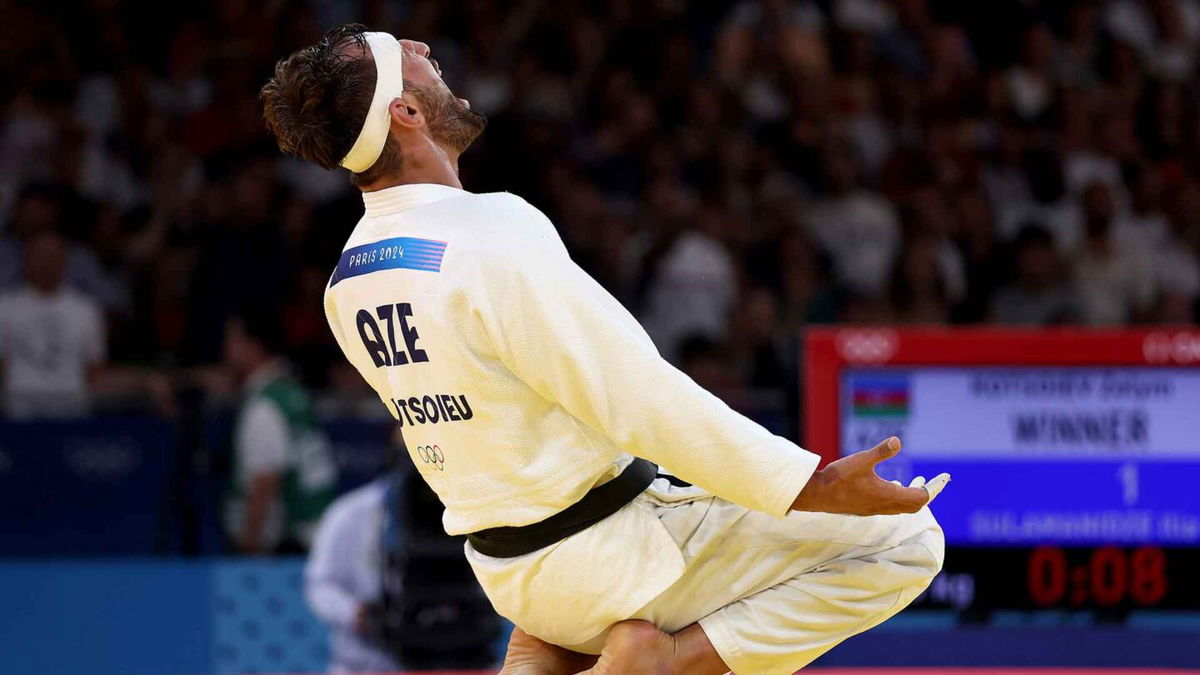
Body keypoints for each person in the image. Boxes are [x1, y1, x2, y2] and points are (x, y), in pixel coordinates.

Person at [260, 25, 950, 674]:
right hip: (611, 551)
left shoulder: (346, 281)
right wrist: (808, 481)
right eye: (405, 53)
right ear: (406, 111)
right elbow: (638, 397)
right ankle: (664, 660)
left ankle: (558, 645)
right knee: (908, 541)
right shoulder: (488, 230)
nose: (421, 44)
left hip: (513, 576)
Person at [223, 309, 337, 554]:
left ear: (253, 346)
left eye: (232, 340)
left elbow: (265, 484)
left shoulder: (266, 406)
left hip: (291, 549)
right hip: (315, 538)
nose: (226, 350)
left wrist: (247, 549)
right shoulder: (291, 391)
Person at [0, 230, 106, 418]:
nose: (46, 262)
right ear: (26, 258)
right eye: (39, 255)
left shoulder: (85, 309)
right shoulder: (5, 307)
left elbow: (93, 369)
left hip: (71, 413)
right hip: (18, 414)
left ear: (65, 260)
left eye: (53, 256)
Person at [306, 472, 404, 673]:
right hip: (359, 662)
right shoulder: (349, 512)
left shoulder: (462, 510)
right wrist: (352, 612)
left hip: (443, 660)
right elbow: (320, 583)